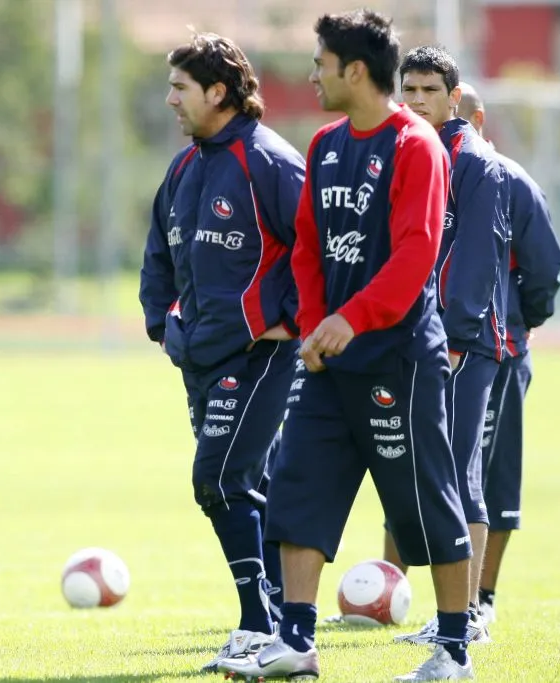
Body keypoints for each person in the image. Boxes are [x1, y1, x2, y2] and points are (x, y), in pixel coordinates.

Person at [218, 9, 476, 681]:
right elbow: (305, 244)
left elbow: (416, 253)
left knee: (428, 499)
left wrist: (353, 318)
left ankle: (452, 650)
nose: (313, 75)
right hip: (327, 359)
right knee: (297, 491)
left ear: (354, 71)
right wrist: (313, 322)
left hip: (396, 357)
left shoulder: (414, 144)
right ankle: (297, 642)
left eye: (321, 64)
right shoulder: (326, 143)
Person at [138, 30, 305, 672]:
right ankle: (279, 625)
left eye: (180, 87)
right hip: (201, 359)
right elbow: (160, 255)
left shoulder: (269, 161)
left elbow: (312, 250)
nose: (170, 99)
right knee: (241, 484)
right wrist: (164, 327)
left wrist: (288, 322)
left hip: (261, 356)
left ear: (218, 91)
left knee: (221, 479)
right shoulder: (184, 168)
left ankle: (258, 624)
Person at [390, 46, 511, 647]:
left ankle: (466, 619)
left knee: (459, 473)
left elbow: (477, 260)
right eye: (408, 89)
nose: (416, 100)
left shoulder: (475, 163)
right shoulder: (409, 154)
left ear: (454, 97)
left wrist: (457, 337)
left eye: (429, 90)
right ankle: (434, 612)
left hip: (461, 343)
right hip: (421, 338)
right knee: (429, 470)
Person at [456, 82, 560, 624]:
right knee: (431, 467)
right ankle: (390, 587)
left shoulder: (511, 180)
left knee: (489, 472)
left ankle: (481, 599)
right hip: (430, 351)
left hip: (498, 350)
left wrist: (520, 322)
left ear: (477, 116)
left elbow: (544, 267)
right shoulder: (419, 173)